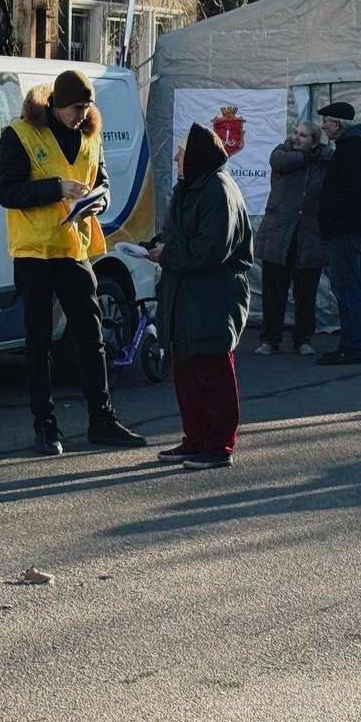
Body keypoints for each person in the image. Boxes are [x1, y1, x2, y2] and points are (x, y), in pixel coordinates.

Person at [0, 69, 147, 456]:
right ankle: (45, 426)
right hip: (35, 251)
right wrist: (56, 188)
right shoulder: (20, 134)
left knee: (92, 337)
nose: (82, 114)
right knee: (39, 341)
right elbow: (7, 192)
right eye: (76, 107)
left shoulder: (90, 135)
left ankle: (102, 418)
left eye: (87, 107)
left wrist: (100, 200)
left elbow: (104, 181)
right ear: (57, 105)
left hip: (74, 250)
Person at [149, 123, 253, 470]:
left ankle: (219, 445)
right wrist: (154, 246)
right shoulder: (190, 188)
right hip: (185, 297)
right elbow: (176, 234)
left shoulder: (218, 190)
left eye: (180, 155)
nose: (177, 160)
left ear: (194, 157)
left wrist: (168, 254)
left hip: (212, 299)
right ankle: (195, 438)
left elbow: (210, 250)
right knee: (188, 374)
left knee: (213, 373)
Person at [252, 122, 328, 356]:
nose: (295, 137)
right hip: (279, 234)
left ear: (314, 141)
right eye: (295, 132)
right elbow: (282, 163)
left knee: (306, 294)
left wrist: (319, 155)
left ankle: (303, 339)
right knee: (274, 292)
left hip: (309, 237)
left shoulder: (324, 162)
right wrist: (310, 156)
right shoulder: (282, 154)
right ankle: (270, 339)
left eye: (302, 136)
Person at [316, 100, 361, 366]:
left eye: (327, 122)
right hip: (354, 228)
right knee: (354, 286)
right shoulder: (357, 147)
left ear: (338, 124)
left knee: (347, 288)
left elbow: (347, 192)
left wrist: (331, 219)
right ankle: (356, 344)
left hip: (346, 230)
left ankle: (351, 346)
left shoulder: (351, 150)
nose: (324, 127)